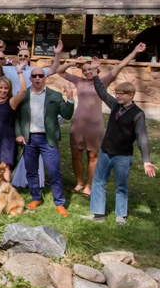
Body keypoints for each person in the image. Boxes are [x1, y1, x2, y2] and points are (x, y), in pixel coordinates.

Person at [52, 42, 146, 197]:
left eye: (90, 69)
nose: (88, 72)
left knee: (93, 155)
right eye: (85, 70)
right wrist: (71, 63)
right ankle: (79, 182)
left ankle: (89, 185)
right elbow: (58, 71)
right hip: (78, 124)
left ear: (96, 69)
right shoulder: (79, 81)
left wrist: (135, 51)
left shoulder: (102, 81)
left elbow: (121, 65)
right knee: (76, 153)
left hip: (95, 126)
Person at [81, 77, 156, 225]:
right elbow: (102, 92)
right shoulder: (115, 105)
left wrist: (146, 160)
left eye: (122, 94)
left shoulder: (138, 114)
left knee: (121, 186)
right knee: (98, 182)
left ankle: (121, 216)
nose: (118, 96)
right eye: (117, 93)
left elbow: (142, 137)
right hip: (105, 152)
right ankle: (98, 214)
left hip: (123, 156)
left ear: (131, 95)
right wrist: (95, 73)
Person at [14, 67, 75, 217]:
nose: (37, 78)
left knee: (54, 171)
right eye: (34, 76)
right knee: (31, 170)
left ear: (44, 78)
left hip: (48, 139)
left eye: (40, 75)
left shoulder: (54, 95)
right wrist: (18, 134)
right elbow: (16, 117)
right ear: (30, 78)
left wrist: (70, 99)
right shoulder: (24, 95)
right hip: (29, 138)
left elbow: (66, 115)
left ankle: (59, 202)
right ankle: (36, 197)